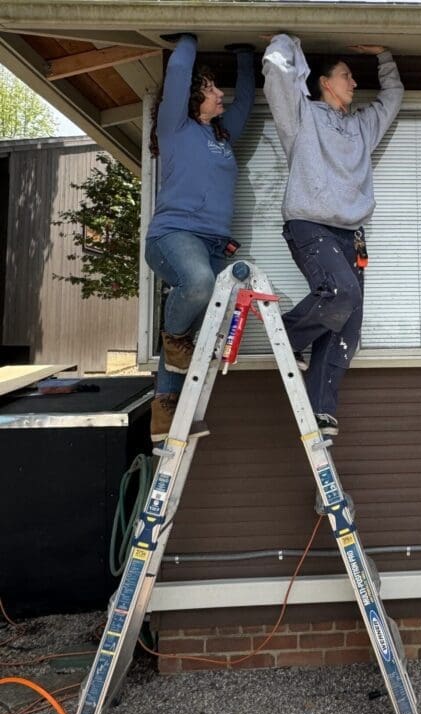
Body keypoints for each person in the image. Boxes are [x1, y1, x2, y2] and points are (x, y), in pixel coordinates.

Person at [261, 34, 404, 438]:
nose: (353, 83)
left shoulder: (361, 128)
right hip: (309, 223)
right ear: (325, 82)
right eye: (346, 76)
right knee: (341, 294)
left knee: (347, 326)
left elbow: (393, 97)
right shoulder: (302, 117)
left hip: (350, 234)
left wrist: (385, 55)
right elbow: (276, 72)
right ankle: (284, 337)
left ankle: (320, 410)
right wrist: (288, 41)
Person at [145, 33, 255, 442]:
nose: (219, 94)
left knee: (206, 320)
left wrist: (245, 53)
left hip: (212, 242)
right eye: (210, 89)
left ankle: (164, 416)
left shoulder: (221, 135)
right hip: (173, 235)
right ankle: (172, 337)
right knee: (198, 286)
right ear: (193, 98)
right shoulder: (175, 126)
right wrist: (188, 40)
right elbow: (175, 71)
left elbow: (245, 101)